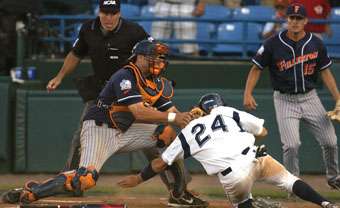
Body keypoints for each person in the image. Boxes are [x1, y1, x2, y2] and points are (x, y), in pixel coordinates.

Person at [1, 40, 207, 207]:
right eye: (155, 57)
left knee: (168, 134)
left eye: (162, 57)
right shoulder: (125, 75)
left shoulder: (157, 83)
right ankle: (33, 190)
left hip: (126, 130)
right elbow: (140, 112)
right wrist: (175, 118)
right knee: (85, 179)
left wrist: (188, 117)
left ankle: (179, 193)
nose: (160, 61)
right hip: (100, 128)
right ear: (140, 58)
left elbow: (172, 113)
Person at [46, 0, 198, 205]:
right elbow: (75, 54)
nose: (109, 17)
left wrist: (154, 91)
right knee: (80, 138)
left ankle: (178, 188)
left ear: (119, 12)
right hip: (103, 95)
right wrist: (59, 76)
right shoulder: (88, 29)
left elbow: (155, 55)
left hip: (134, 94)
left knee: (158, 138)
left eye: (113, 13)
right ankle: (71, 185)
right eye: (105, 12)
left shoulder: (134, 31)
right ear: (98, 12)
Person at [117, 93, 338, 208]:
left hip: (233, 175)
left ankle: (250, 203)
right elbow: (263, 130)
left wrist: (138, 178)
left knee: (242, 203)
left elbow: (161, 163)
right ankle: (325, 203)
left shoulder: (189, 129)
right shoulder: (227, 111)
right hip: (255, 156)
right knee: (290, 181)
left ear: (200, 109)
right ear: (218, 104)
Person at [243, 3, 340, 190]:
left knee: (330, 141)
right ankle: (293, 186)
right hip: (284, 100)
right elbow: (256, 69)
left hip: (310, 98)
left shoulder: (316, 43)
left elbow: (326, 72)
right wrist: (248, 93)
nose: (294, 22)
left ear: (305, 21)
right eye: (291, 18)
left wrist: (338, 98)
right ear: (286, 20)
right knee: (292, 145)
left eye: (298, 18)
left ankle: (334, 177)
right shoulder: (272, 43)